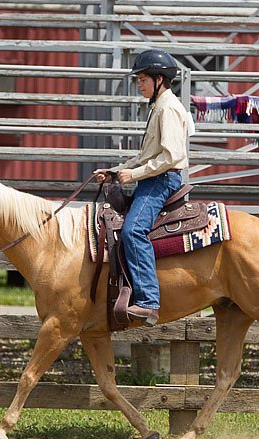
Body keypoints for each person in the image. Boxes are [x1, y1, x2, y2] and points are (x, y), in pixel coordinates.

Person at [93, 49, 189, 327]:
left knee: (134, 230)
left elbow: (170, 156)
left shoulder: (168, 108)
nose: (140, 83)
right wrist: (115, 171)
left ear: (159, 79)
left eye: (144, 78)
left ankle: (148, 301)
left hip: (162, 180)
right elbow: (147, 155)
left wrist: (133, 174)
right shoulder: (159, 106)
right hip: (153, 176)